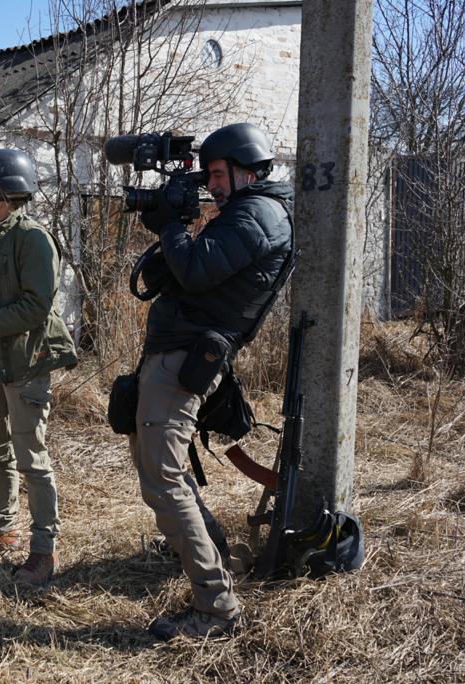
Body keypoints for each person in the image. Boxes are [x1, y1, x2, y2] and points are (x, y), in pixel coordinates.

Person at [131, 122, 293, 639]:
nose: (212, 185)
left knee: (164, 479)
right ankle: (214, 554)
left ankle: (217, 609)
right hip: (179, 351)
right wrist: (171, 224)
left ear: (248, 170)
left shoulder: (258, 215)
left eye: (219, 174)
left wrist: (173, 225)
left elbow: (197, 271)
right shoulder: (247, 213)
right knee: (159, 468)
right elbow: (186, 269)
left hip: (186, 358)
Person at [0, 148, 77, 588]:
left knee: (31, 456)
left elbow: (36, 306)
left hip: (24, 358)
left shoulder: (33, 237)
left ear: (6, 188)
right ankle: (2, 527)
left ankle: (43, 550)